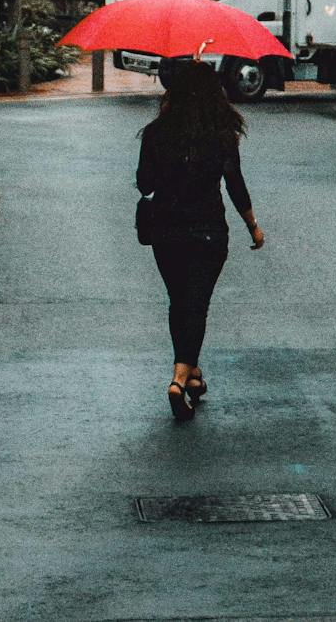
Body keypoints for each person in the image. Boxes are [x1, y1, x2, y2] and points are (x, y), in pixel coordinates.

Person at [136, 58, 264, 421]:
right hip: (208, 230)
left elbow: (146, 183)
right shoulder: (222, 134)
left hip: (166, 230)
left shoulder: (156, 133)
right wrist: (252, 225)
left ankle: (193, 375)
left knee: (180, 302)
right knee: (196, 302)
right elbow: (234, 183)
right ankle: (179, 377)